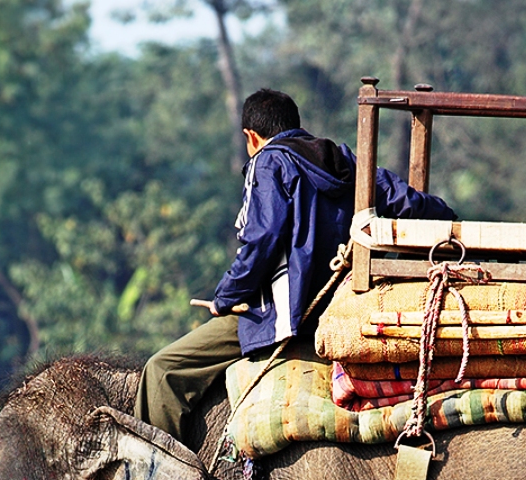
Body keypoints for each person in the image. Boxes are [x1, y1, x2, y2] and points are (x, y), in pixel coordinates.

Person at [134, 88, 457, 444]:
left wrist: (225, 297)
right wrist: (456, 227)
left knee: (163, 371)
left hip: (287, 318)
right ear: (296, 126)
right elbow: (409, 203)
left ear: (250, 137)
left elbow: (263, 239)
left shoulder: (268, 162)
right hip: (344, 310)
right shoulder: (345, 159)